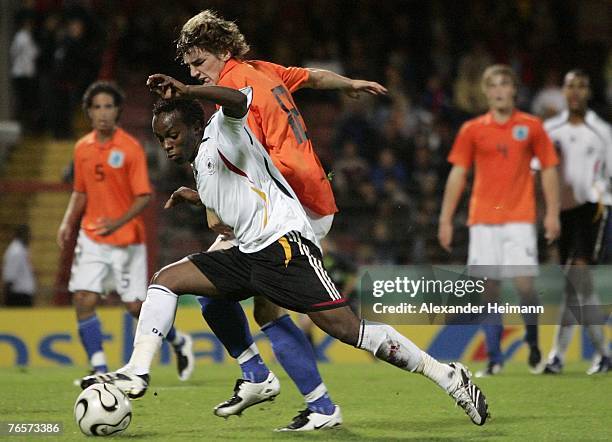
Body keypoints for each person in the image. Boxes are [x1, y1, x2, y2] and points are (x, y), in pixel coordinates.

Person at [82, 86, 489, 430]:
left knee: (349, 330)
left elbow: (238, 102)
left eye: (171, 134)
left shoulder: (222, 131)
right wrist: (196, 199)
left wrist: (188, 90)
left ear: (194, 126)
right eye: (160, 139)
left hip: (284, 248)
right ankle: (141, 371)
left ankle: (447, 375)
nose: (166, 143)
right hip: (249, 253)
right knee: (169, 280)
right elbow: (231, 218)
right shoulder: (203, 167)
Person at [152, 9, 386, 428]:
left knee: (231, 292)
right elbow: (312, 77)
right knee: (248, 302)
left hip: (290, 203)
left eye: (199, 62)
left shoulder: (232, 86)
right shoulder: (262, 69)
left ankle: (281, 387)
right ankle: (305, 399)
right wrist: (348, 83)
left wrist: (211, 208)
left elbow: (235, 162)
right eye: (188, 66)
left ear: (223, 51)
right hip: (312, 196)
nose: (194, 72)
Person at [57, 81, 194, 379]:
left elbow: (144, 196)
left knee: (134, 307)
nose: (103, 112)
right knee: (83, 299)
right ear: (89, 112)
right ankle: (99, 368)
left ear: (118, 110)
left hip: (127, 238)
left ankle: (178, 341)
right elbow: (80, 191)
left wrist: (116, 223)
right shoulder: (82, 149)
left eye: (108, 106)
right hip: (91, 236)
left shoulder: (130, 148)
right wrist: (68, 221)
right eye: (97, 107)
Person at [438, 64, 561, 377]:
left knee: (524, 286)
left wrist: (552, 213)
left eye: (504, 84)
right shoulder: (472, 129)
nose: (498, 90)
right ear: (485, 91)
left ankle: (533, 343)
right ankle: (494, 358)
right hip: (482, 220)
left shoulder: (532, 126)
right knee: (488, 290)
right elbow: (458, 173)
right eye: (492, 85)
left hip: (520, 218)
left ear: (514, 90)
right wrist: (446, 219)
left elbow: (548, 168)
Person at [540, 69, 611, 375]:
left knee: (578, 276)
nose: (575, 92)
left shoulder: (602, 131)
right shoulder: (550, 129)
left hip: (594, 208)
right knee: (574, 283)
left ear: (588, 92)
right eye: (570, 86)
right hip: (563, 211)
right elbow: (539, 171)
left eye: (581, 86)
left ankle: (558, 355)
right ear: (564, 92)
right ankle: (603, 354)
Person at [2, 224, 36, 307]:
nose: (30, 237)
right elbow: (9, 276)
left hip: (23, 295)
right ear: (22, 235)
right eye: (28, 234)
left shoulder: (22, 250)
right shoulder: (16, 251)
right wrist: (5, 298)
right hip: (18, 296)